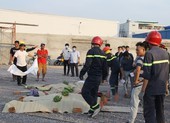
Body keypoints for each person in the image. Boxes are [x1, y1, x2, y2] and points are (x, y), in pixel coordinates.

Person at [142, 31, 169, 123]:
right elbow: (166, 73)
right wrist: (166, 88)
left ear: (149, 42)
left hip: (151, 89)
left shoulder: (149, 54)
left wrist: (142, 91)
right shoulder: (166, 53)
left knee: (149, 113)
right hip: (161, 89)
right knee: (160, 112)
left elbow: (146, 75)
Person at [79, 36, 108, 118]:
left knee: (84, 92)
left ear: (92, 43)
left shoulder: (91, 51)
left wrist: (82, 73)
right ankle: (92, 110)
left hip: (92, 76)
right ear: (100, 44)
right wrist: (104, 77)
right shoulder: (103, 53)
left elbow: (87, 64)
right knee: (93, 93)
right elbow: (105, 68)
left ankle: (95, 106)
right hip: (99, 77)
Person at [127, 42, 146, 123]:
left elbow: (138, 70)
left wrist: (135, 81)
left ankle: (131, 121)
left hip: (139, 85)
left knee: (134, 104)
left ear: (143, 49)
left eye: (138, 50)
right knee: (146, 105)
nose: (136, 52)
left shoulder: (140, 59)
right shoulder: (149, 58)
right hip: (145, 83)